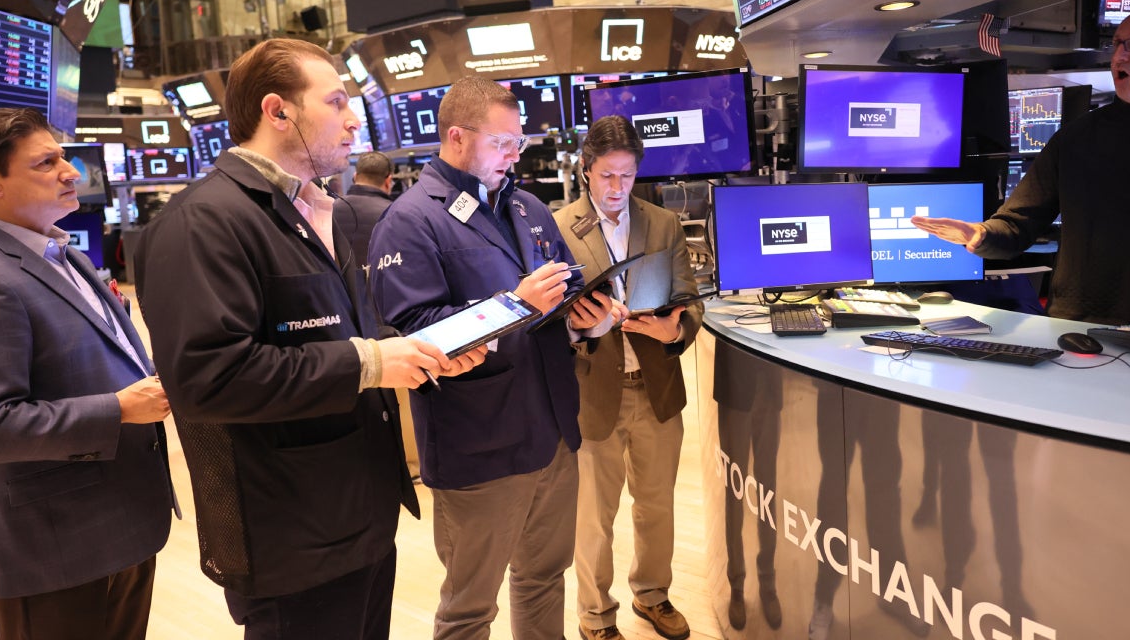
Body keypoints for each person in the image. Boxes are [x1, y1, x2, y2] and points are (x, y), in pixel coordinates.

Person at [134, 39, 485, 640]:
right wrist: (374, 362)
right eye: (338, 102)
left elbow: (334, 335)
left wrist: (414, 355)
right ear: (278, 111)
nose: (355, 120)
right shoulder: (202, 222)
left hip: (358, 513)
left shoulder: (317, 212)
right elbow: (207, 381)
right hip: (291, 535)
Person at [369, 75, 614, 640]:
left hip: (552, 429)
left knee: (544, 577)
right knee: (469, 609)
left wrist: (583, 321)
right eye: (502, 143)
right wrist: (514, 304)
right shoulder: (409, 220)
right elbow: (417, 338)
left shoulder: (528, 206)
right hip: (479, 444)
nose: (514, 154)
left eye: (518, 143)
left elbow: (554, 305)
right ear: (457, 137)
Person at [912, 7, 1130, 339]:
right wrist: (978, 234)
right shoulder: (1076, 138)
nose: (1119, 55)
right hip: (1079, 334)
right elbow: (1018, 224)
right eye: (1117, 45)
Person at [0, 107, 176, 640]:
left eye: (65, 157)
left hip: (119, 522)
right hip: (53, 548)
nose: (71, 171)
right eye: (46, 163)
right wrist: (118, 408)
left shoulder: (60, 252)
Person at [553, 116, 704, 640]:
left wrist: (675, 328)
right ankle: (595, 615)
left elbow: (690, 297)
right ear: (586, 171)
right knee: (594, 517)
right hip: (593, 391)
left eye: (626, 176)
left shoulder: (661, 223)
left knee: (656, 503)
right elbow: (545, 318)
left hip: (656, 387)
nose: (617, 188)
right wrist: (577, 326)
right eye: (606, 177)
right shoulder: (557, 226)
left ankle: (653, 595)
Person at [334, 150, 395, 268]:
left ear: (355, 176)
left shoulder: (330, 208)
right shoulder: (395, 213)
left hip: (337, 285)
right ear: (388, 181)